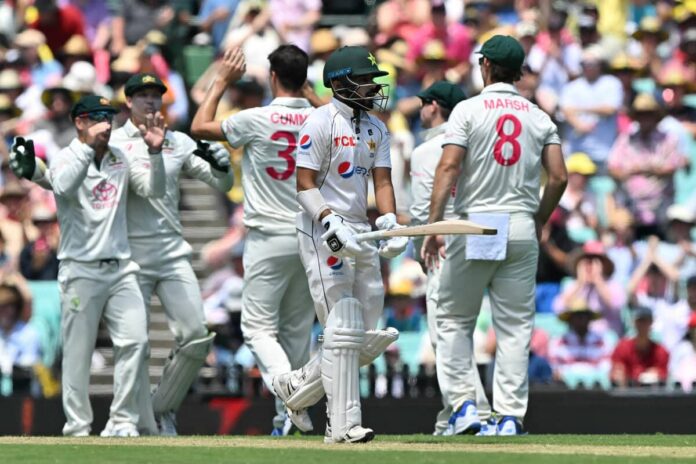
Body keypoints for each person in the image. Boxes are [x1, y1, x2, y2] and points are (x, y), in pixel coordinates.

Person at [422, 35, 567, 436]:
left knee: (452, 318)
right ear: (519, 72)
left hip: (476, 222)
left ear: (484, 65)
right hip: (520, 223)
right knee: (516, 327)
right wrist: (538, 217)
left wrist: (435, 225)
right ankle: (507, 417)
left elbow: (449, 167)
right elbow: (559, 177)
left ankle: (465, 406)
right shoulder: (539, 116)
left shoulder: (467, 110)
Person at [272, 45, 408, 444]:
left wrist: (388, 220)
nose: (371, 87)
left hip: (360, 230)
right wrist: (329, 221)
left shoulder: (377, 128)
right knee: (344, 326)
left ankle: (295, 387)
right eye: (364, 80)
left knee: (364, 335)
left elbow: (381, 182)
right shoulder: (319, 122)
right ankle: (342, 426)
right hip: (320, 228)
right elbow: (304, 184)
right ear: (339, 82)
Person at [10, 94, 166, 436]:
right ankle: (78, 425)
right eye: (97, 118)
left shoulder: (120, 159)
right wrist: (86, 146)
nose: (106, 124)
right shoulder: (67, 157)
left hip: (122, 268)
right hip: (80, 270)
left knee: (136, 341)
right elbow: (62, 186)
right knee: (78, 353)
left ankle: (122, 421)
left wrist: (155, 154)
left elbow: (153, 190)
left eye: (108, 117)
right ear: (79, 122)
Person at [191, 45, 316, 435]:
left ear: (273, 77)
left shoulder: (256, 118)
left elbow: (199, 126)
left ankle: (286, 388)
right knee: (296, 330)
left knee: (258, 329)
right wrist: (310, 93)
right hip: (308, 233)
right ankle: (287, 420)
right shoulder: (322, 119)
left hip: (267, 235)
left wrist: (222, 81)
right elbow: (331, 112)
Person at [110, 73, 234, 436]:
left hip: (172, 253)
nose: (151, 101)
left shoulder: (178, 142)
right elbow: (148, 191)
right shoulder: (115, 142)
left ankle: (160, 408)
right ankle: (129, 419)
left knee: (196, 336)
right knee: (136, 342)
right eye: (143, 95)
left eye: (156, 95)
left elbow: (220, 184)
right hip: (130, 257)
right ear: (128, 102)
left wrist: (223, 166)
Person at [408, 80, 494, 436]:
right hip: (481, 240)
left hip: (442, 243)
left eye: (424, 103)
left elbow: (418, 210)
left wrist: (421, 247)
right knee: (459, 331)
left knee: (445, 331)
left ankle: (464, 408)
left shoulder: (426, 151)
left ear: (434, 106)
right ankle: (468, 412)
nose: (420, 110)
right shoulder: (477, 144)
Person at [548, 299, 613, 389]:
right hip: (566, 390)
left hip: (596, 390)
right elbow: (556, 370)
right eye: (577, 316)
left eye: (584, 315)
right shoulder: (558, 342)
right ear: (570, 319)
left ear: (589, 319)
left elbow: (606, 368)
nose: (581, 319)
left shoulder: (602, 341)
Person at [611, 307, 670, 387]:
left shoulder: (660, 351)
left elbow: (663, 375)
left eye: (646, 321)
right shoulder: (623, 347)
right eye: (640, 321)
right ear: (634, 323)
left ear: (651, 323)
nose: (643, 325)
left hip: (652, 395)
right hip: (627, 392)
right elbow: (617, 372)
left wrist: (654, 375)